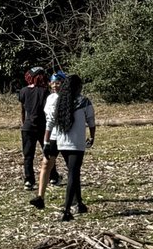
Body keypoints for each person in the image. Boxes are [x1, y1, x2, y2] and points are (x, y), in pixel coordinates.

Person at [43, 74, 96, 222]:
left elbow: (50, 122)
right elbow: (91, 121)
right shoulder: (83, 101)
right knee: (73, 173)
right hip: (77, 143)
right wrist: (92, 137)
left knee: (74, 172)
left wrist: (46, 141)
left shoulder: (60, 100)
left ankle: (79, 203)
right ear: (78, 87)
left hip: (61, 142)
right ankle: (66, 209)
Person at [30, 71, 66, 210]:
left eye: (58, 82)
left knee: (72, 167)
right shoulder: (50, 98)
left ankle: (76, 198)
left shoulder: (68, 98)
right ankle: (40, 197)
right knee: (46, 164)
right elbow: (49, 121)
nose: (55, 85)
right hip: (53, 136)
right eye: (53, 82)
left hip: (66, 136)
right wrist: (46, 142)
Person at [18, 66, 51, 190]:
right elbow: (48, 111)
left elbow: (22, 110)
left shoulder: (23, 91)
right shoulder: (44, 92)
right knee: (48, 152)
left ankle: (29, 180)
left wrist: (24, 123)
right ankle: (52, 176)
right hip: (42, 127)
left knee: (28, 155)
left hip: (27, 127)